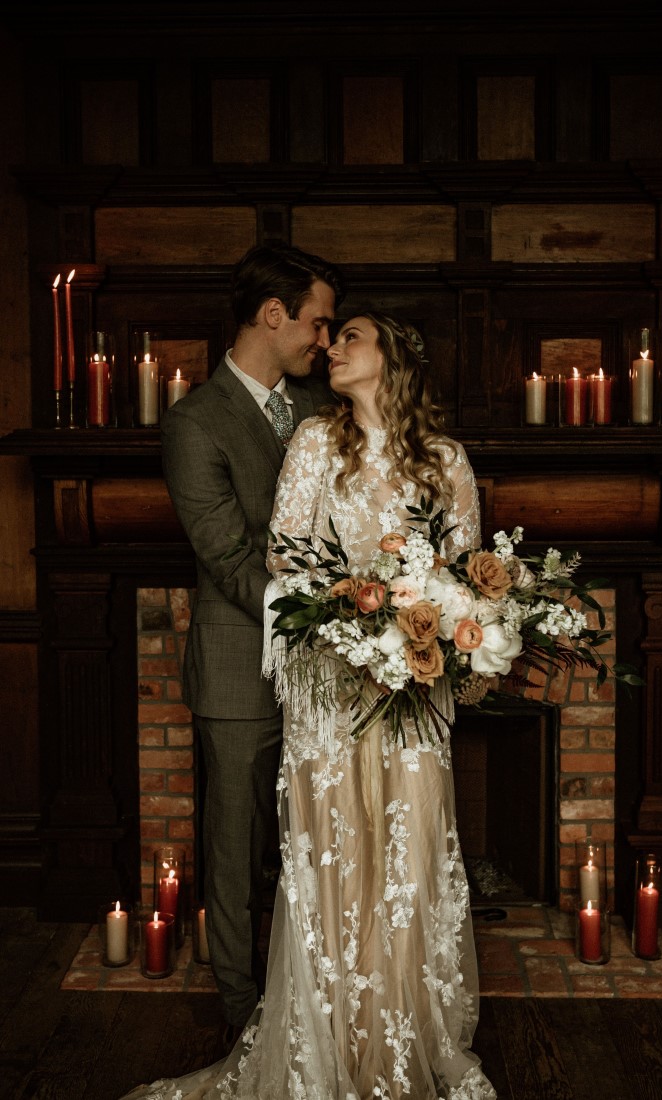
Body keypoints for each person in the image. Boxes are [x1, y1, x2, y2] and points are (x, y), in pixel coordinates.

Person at [123, 313, 496, 1098]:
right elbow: (284, 558)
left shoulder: (447, 461)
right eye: (330, 337)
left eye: (350, 336)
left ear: (391, 357)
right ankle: (327, 1043)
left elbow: (464, 572)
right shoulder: (315, 447)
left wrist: (430, 618)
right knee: (334, 862)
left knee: (405, 862)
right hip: (330, 693)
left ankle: (399, 1042)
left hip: (414, 696)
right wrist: (361, 614)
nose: (331, 348)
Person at [160, 242, 344, 1034]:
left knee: (309, 844)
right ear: (275, 316)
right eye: (317, 322)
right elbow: (227, 553)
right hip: (240, 671)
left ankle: (309, 1002)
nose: (324, 340)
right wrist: (319, 615)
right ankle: (242, 1017)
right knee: (234, 853)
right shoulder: (195, 422)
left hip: (326, 672)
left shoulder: (318, 411)